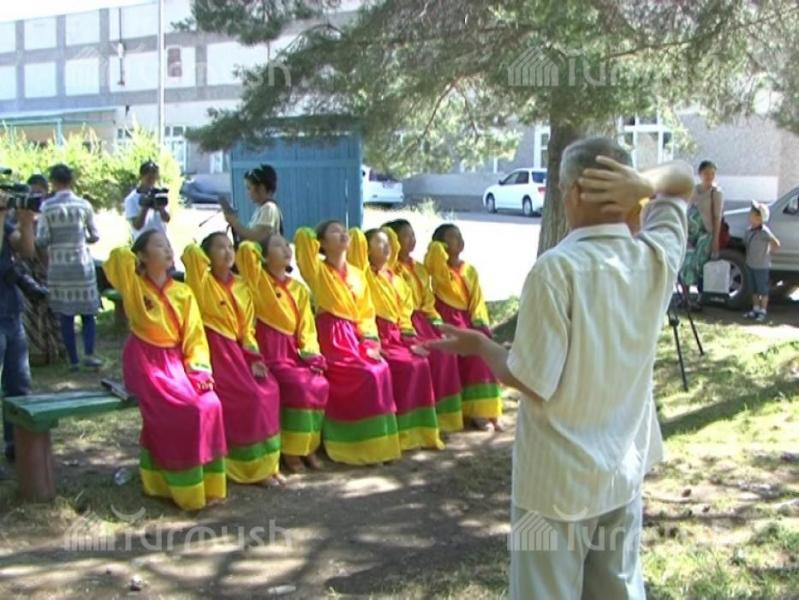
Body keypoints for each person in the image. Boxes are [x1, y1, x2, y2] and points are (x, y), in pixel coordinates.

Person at [426, 137, 694, 600]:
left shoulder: (556, 270)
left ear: (572, 193)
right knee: (617, 589)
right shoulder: (654, 259)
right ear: (628, 191)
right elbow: (683, 181)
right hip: (622, 471)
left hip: (554, 485)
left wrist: (482, 347)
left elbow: (530, 379)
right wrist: (645, 184)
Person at [104, 231, 227, 511]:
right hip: (146, 362)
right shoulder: (134, 286)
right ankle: (179, 489)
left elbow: (195, 336)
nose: (169, 250)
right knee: (185, 410)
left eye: (169, 245)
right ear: (142, 256)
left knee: (211, 403)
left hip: (176, 363)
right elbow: (117, 261)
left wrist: (199, 370)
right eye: (159, 246)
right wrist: (132, 256)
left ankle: (209, 485)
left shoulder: (183, 292)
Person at [294, 221, 401, 465]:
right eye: (334, 231)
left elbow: (366, 312)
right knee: (366, 374)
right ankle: (354, 445)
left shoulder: (357, 273)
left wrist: (370, 342)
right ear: (322, 243)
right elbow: (303, 239)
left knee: (381, 368)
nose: (343, 233)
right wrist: (313, 235)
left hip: (356, 337)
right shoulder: (317, 270)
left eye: (344, 230)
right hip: (333, 339)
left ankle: (380, 445)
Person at [182, 234, 284, 486]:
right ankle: (248, 467)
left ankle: (268, 463)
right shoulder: (201, 283)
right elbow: (191, 255)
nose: (228, 252)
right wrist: (201, 254)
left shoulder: (242, 285)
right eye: (220, 248)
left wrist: (254, 357)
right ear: (207, 255)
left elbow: (248, 328)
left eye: (230, 247)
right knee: (250, 397)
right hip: (217, 352)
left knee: (270, 390)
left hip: (242, 351)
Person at [236, 235, 329, 473]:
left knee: (319, 383)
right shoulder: (257, 281)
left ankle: (308, 446)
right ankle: (290, 450)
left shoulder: (299, 289)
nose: (286, 249)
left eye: (287, 245)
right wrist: (256, 246)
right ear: (264, 256)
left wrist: (311, 354)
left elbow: (307, 326)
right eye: (277, 246)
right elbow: (246, 250)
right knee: (299, 386)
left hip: (293, 353)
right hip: (270, 354)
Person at [349, 227, 443, 452]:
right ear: (366, 250)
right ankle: (398, 432)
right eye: (379, 243)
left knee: (421, 363)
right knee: (405, 366)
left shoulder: (397, 280)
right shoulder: (364, 275)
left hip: (398, 336)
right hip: (377, 335)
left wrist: (411, 340)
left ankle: (416, 432)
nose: (387, 247)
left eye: (388, 243)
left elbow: (405, 314)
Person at [383, 219, 464, 433]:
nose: (412, 240)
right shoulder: (393, 269)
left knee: (446, 352)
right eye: (406, 235)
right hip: (406, 322)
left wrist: (436, 321)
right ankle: (421, 419)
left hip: (424, 321)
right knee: (431, 355)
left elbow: (427, 299)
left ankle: (442, 416)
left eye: (413, 235)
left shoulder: (419, 268)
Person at [424, 224, 502, 431]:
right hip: (446, 321)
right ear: (441, 244)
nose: (459, 240)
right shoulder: (439, 271)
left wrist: (480, 322)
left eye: (460, 236)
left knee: (483, 350)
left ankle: (486, 409)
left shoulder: (470, 270)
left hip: (468, 319)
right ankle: (470, 412)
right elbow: (434, 261)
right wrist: (437, 248)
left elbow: (477, 299)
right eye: (452, 237)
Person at [36, 164, 101, 370]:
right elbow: (95, 235)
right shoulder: (83, 205)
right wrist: (82, 238)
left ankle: (73, 360)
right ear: (71, 181)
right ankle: (89, 354)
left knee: (66, 315)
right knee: (88, 313)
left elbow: (42, 240)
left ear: (53, 182)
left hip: (59, 267)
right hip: (82, 265)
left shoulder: (47, 207)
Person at [0, 187, 36, 465]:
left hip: (10, 313)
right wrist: (2, 214)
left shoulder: (6, 223)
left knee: (19, 385)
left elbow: (26, 250)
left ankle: (17, 446)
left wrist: (26, 219)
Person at [20, 174, 62, 366]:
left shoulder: (51, 212)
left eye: (39, 193)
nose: (36, 196)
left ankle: (54, 349)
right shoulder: (21, 214)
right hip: (27, 268)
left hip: (49, 265)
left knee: (52, 309)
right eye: (33, 193)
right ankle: (35, 353)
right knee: (30, 310)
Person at [680, 160, 723, 293]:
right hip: (690, 234)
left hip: (705, 235)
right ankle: (686, 296)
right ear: (700, 174)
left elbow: (717, 217)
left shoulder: (716, 192)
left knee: (698, 265)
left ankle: (700, 296)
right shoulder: (694, 190)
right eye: (706, 173)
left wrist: (715, 240)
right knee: (685, 263)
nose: (709, 176)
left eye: (712, 174)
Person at [224, 164, 284, 242]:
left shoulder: (269, 208)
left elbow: (256, 237)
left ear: (261, 188)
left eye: (249, 188)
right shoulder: (261, 209)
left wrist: (235, 222)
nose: (247, 193)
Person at [743, 202, 781, 322]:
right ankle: (755, 309)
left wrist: (769, 253)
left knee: (762, 289)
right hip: (750, 264)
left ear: (759, 218)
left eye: (752, 214)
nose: (749, 215)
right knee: (753, 289)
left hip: (761, 266)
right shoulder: (749, 231)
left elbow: (776, 243)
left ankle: (763, 310)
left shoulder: (764, 232)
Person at [124, 160, 171, 241]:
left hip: (161, 241)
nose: (152, 181)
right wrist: (145, 208)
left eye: (154, 177)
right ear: (141, 176)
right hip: (144, 243)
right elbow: (137, 226)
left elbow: (167, 219)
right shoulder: (131, 199)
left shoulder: (159, 195)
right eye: (149, 178)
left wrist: (161, 209)